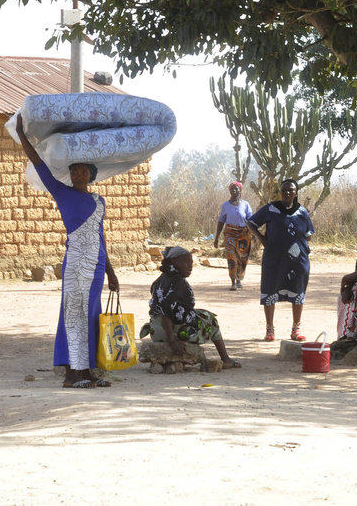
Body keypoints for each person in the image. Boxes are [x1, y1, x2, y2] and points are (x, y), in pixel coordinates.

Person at [15, 114, 120, 389]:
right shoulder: (62, 193)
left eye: (83, 172)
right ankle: (71, 374)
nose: (78, 175)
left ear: (91, 175)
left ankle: (87, 372)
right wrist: (23, 137)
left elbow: (101, 239)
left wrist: (111, 272)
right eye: (74, 171)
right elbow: (39, 165)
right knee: (73, 315)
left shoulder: (99, 202)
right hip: (75, 265)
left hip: (96, 268)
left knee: (91, 316)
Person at [141, 246, 241, 369]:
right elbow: (165, 311)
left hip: (156, 331)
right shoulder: (179, 282)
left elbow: (161, 307)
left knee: (201, 313)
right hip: (171, 332)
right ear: (174, 262)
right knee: (211, 319)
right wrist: (172, 341)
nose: (190, 266)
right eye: (186, 262)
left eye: (191, 262)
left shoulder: (161, 279)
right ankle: (225, 359)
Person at [247, 179, 314, 342]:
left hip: (298, 261)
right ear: (280, 192)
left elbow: (309, 233)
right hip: (274, 259)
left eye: (291, 190)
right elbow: (251, 222)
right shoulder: (271, 208)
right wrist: (262, 239)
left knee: (298, 291)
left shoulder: (302, 212)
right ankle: (270, 330)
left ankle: (296, 329)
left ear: (296, 193)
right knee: (270, 289)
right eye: (284, 190)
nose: (288, 193)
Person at [213, 181, 254, 291]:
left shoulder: (245, 204)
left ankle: (239, 279)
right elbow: (221, 221)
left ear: (240, 190)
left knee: (242, 257)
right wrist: (216, 237)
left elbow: (251, 220)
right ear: (229, 191)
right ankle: (233, 281)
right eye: (232, 189)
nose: (234, 191)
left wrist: (254, 233)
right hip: (230, 234)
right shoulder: (225, 206)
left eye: (236, 189)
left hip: (244, 234)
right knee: (231, 257)